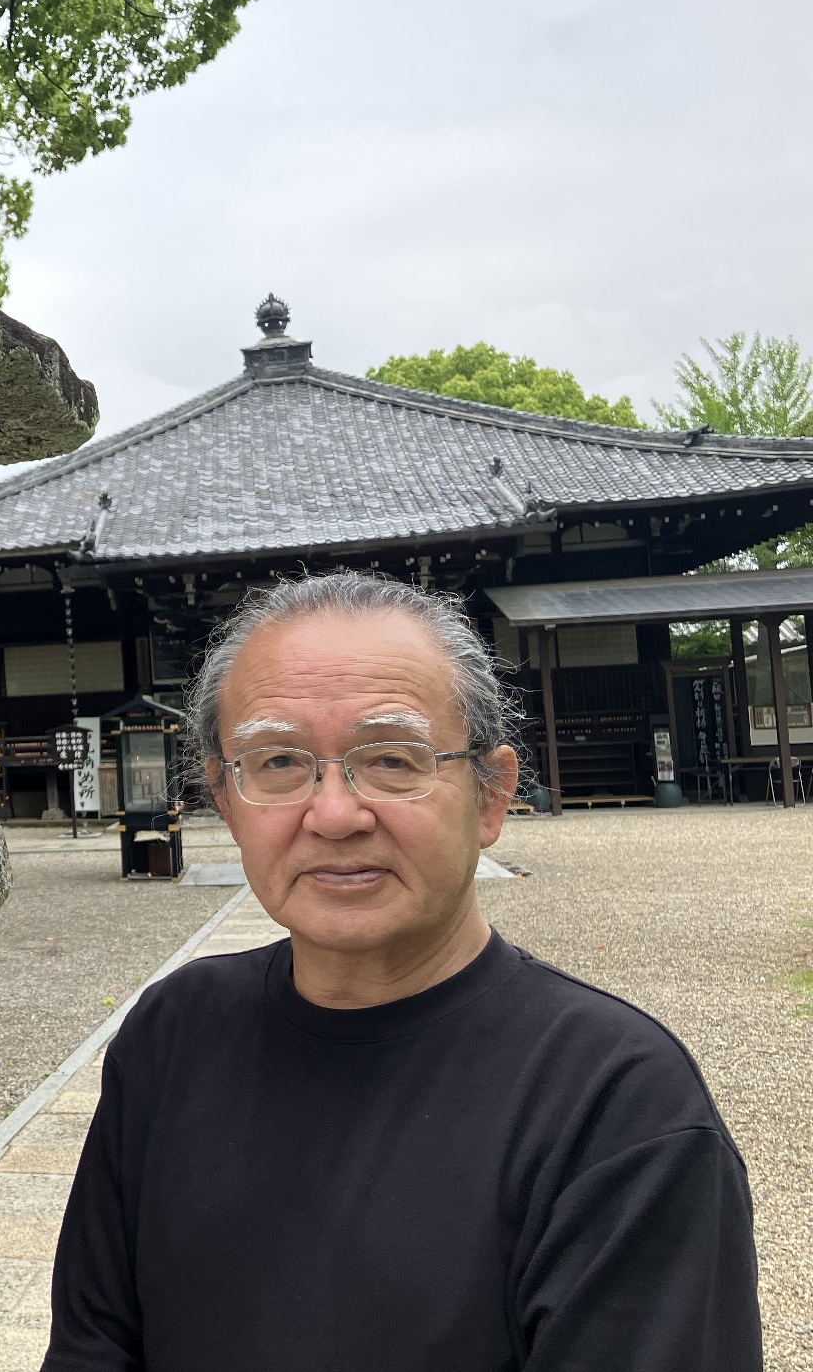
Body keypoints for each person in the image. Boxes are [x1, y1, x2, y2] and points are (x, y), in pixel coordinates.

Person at [44, 571, 762, 1372]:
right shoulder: (172, 1035)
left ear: (491, 797)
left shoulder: (616, 1102)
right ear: (226, 796)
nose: (334, 815)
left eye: (391, 758)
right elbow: (89, 1348)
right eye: (278, 761)